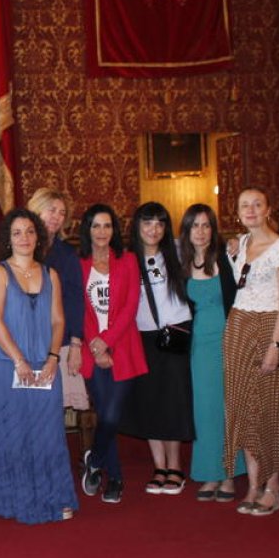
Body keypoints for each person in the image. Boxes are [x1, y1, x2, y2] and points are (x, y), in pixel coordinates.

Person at [0, 208, 77, 524]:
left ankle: (55, 497)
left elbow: (59, 319)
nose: (24, 238)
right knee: (12, 434)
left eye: (30, 231)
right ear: (8, 239)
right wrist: (19, 361)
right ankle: (11, 499)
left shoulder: (51, 275)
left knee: (48, 434)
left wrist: (52, 357)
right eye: (17, 232)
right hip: (8, 368)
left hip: (45, 367)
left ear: (39, 236)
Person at [223, 187, 279, 517]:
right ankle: (253, 485)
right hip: (239, 328)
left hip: (270, 328)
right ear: (237, 212)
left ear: (268, 208)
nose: (251, 210)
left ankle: (273, 487)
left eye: (257, 204)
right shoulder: (238, 245)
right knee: (243, 409)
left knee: (269, 408)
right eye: (245, 205)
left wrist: (275, 345)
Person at [120, 202, 195, 495]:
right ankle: (159, 466)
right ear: (137, 227)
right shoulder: (127, 259)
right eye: (147, 223)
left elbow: (207, 248)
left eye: (160, 224)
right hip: (142, 336)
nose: (153, 229)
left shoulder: (177, 251)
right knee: (150, 400)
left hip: (176, 333)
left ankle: (175, 467)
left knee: (173, 400)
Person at [176, 204, 244, 501]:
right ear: (187, 232)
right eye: (195, 226)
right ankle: (208, 473)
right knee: (204, 411)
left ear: (213, 229)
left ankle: (228, 474)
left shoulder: (228, 258)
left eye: (206, 225)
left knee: (228, 408)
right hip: (198, 347)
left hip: (228, 340)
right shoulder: (181, 265)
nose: (200, 232)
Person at [78, 204, 144, 504]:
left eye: (107, 226)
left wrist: (107, 342)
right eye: (96, 226)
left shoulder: (128, 260)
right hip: (92, 353)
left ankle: (94, 459)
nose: (102, 232)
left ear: (114, 230)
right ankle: (115, 478)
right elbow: (78, 309)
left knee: (113, 415)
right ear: (87, 230)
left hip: (123, 348)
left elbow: (130, 307)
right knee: (105, 413)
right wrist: (95, 344)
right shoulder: (79, 264)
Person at [26, 188, 87, 412]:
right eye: (51, 210)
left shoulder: (67, 254)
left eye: (62, 213)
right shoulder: (18, 248)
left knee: (53, 411)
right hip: (24, 342)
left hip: (57, 343)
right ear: (36, 210)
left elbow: (75, 300)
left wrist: (75, 344)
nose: (57, 217)